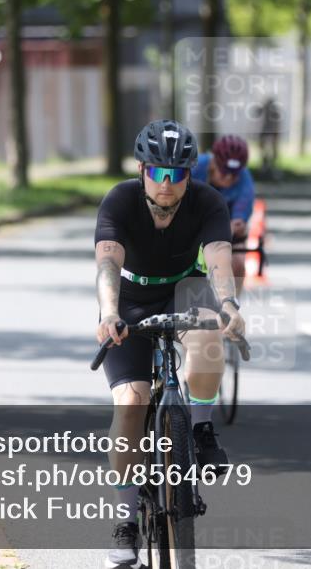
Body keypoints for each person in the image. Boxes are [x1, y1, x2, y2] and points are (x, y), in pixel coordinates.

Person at [94, 119, 246, 568]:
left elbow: (218, 255)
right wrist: (108, 312)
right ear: (142, 170)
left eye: (177, 174)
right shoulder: (120, 200)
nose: (167, 184)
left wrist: (230, 304)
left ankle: (200, 427)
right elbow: (107, 260)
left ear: (189, 175)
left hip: (186, 289)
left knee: (209, 337)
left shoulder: (208, 201)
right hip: (131, 298)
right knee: (132, 402)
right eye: (158, 173)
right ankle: (125, 522)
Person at [192, 134, 256, 295]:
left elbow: (239, 221)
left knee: (238, 264)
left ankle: (230, 307)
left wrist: (233, 227)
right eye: (223, 171)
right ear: (214, 162)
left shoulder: (245, 179)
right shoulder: (195, 168)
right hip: (194, 223)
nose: (228, 178)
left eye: (234, 174)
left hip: (225, 228)